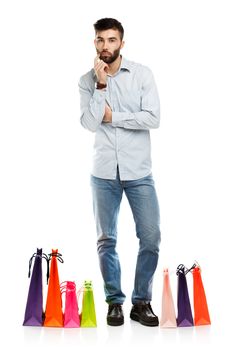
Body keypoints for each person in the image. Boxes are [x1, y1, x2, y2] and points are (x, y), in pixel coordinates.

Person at [78, 18, 161, 327]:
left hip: (139, 171)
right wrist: (100, 86)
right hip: (103, 173)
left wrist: (114, 117)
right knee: (106, 240)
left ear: (122, 43)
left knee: (151, 236)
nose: (105, 46)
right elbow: (88, 124)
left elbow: (153, 118)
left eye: (112, 40)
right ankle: (115, 302)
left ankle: (142, 302)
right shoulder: (87, 80)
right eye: (100, 40)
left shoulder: (141, 75)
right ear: (94, 43)